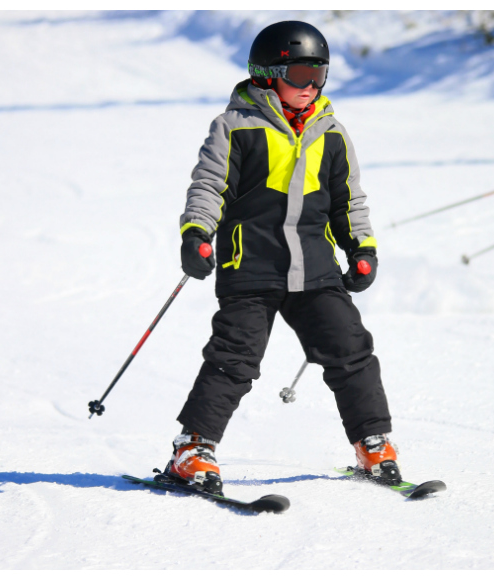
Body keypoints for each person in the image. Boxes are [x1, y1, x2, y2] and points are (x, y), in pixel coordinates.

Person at [167, 21, 401, 495]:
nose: (310, 86)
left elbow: (348, 200)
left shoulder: (331, 133)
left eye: (320, 75)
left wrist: (362, 248)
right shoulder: (235, 126)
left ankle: (372, 441)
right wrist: (197, 234)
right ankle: (192, 449)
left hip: (314, 267)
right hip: (249, 264)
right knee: (235, 358)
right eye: (299, 74)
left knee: (350, 348)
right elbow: (208, 186)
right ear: (267, 73)